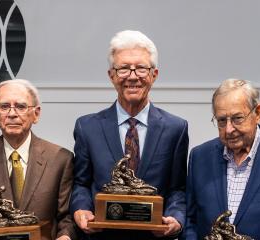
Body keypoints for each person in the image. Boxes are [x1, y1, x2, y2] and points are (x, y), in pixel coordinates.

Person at [70, 30, 188, 239]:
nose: (132, 77)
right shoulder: (87, 127)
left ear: (154, 74)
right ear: (111, 75)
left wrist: (176, 218)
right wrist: (81, 209)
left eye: (141, 68)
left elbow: (177, 188)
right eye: (123, 68)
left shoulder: (175, 129)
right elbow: (81, 183)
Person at [183, 79, 260, 240]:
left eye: (237, 118)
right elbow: (190, 221)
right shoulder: (199, 157)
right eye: (221, 120)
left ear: (258, 113)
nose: (229, 129)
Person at [0, 79, 76, 240]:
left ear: (36, 114)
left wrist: (65, 236)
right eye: (4, 106)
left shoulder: (60, 159)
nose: (12, 113)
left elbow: (67, 217)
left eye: (21, 107)